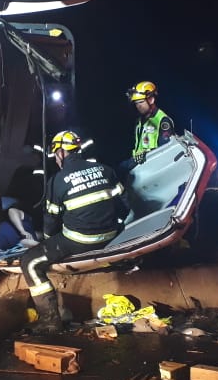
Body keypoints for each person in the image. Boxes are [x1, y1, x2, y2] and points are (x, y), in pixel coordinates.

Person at [20, 130, 129, 333]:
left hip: (80, 240)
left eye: (56, 153)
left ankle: (50, 320)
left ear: (61, 152)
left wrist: (47, 243)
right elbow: (124, 204)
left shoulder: (57, 181)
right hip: (112, 235)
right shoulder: (104, 169)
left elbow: (50, 220)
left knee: (29, 262)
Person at [120, 80, 175, 177]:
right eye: (136, 103)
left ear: (151, 100)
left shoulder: (162, 121)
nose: (138, 106)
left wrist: (145, 154)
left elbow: (166, 150)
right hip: (139, 166)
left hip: (152, 166)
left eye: (141, 102)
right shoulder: (140, 120)